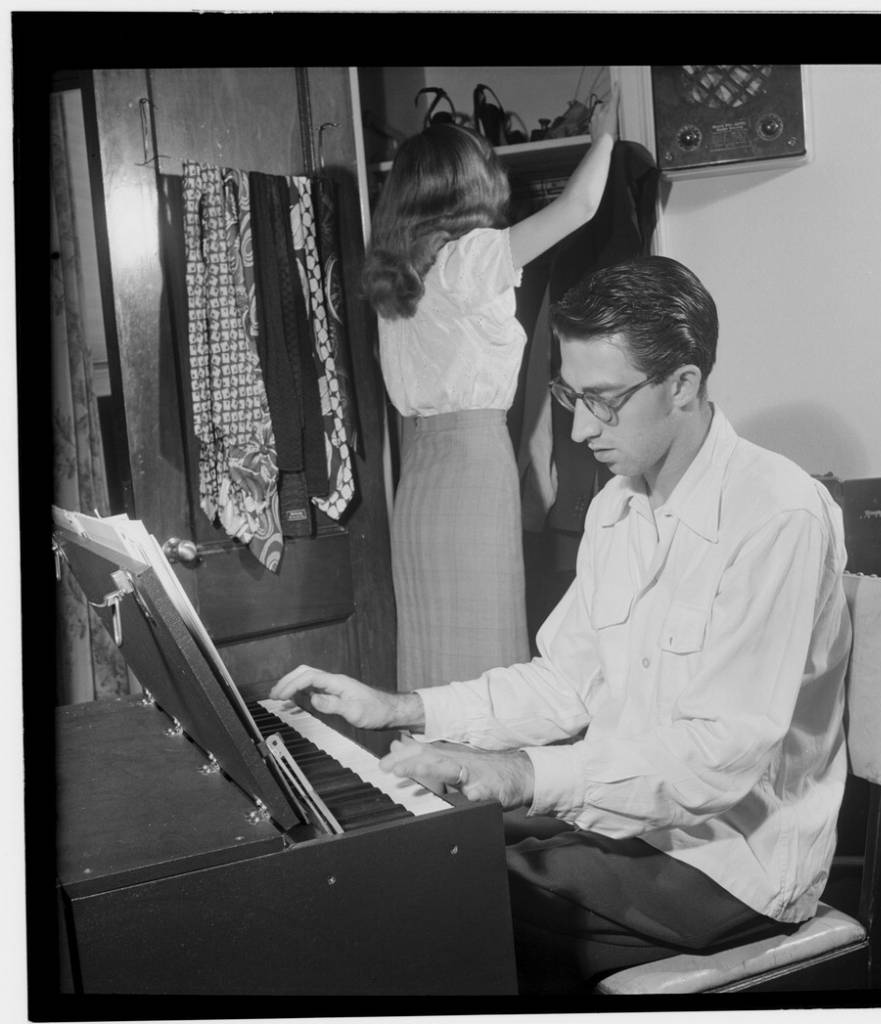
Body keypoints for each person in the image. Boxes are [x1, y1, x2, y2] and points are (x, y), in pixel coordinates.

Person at [273, 256, 851, 994]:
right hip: (630, 824)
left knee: (428, 902)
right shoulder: (617, 505)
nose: (579, 429)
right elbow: (565, 683)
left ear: (683, 385)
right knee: (405, 851)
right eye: (570, 396)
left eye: (603, 400)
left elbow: (719, 755)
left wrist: (520, 774)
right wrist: (405, 708)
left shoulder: (777, 515)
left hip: (732, 861)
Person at [360, 85, 620, 692]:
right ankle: (479, 783)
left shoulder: (398, 275)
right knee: (484, 662)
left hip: (418, 481)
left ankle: (438, 782)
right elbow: (578, 206)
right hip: (473, 468)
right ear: (471, 184)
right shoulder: (469, 258)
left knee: (431, 654)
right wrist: (602, 134)